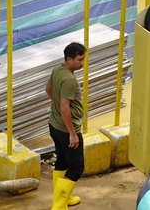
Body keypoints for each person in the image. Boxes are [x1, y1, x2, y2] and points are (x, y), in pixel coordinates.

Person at [46, 42, 87, 210]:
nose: (83, 63)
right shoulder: (69, 79)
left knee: (62, 161)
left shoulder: (58, 69)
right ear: (69, 59)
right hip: (66, 130)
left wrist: (58, 107)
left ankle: (65, 199)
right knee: (76, 168)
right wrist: (72, 133)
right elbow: (65, 107)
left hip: (54, 125)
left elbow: (48, 89)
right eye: (80, 59)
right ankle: (58, 206)